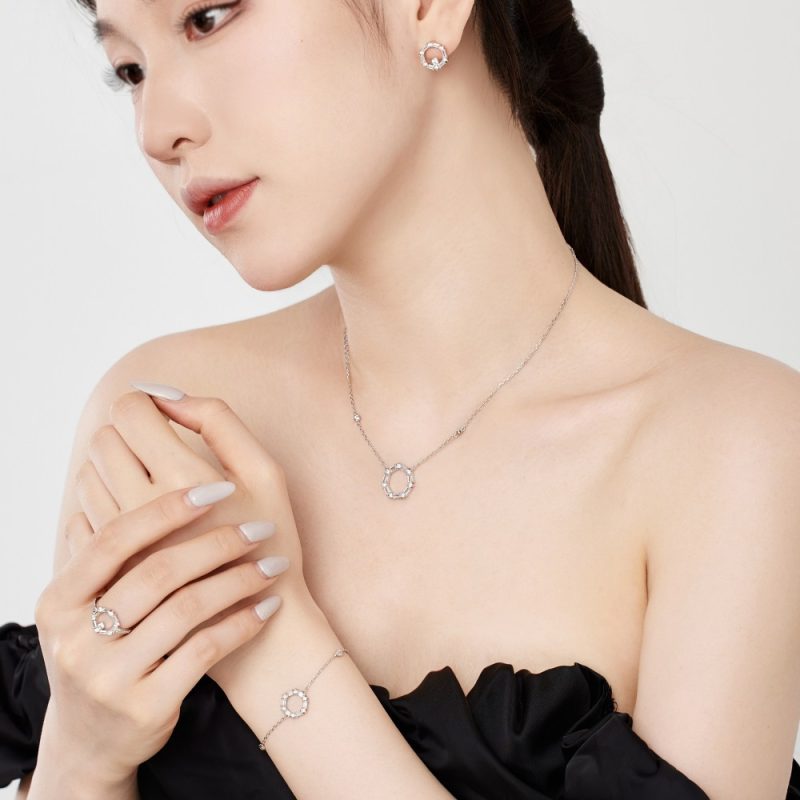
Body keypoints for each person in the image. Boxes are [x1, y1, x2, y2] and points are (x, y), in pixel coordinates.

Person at [2, 0, 799, 798]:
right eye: (130, 71)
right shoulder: (161, 419)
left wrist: (271, 639)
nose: (156, 129)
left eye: (208, 18)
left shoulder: (733, 448)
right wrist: (82, 752)